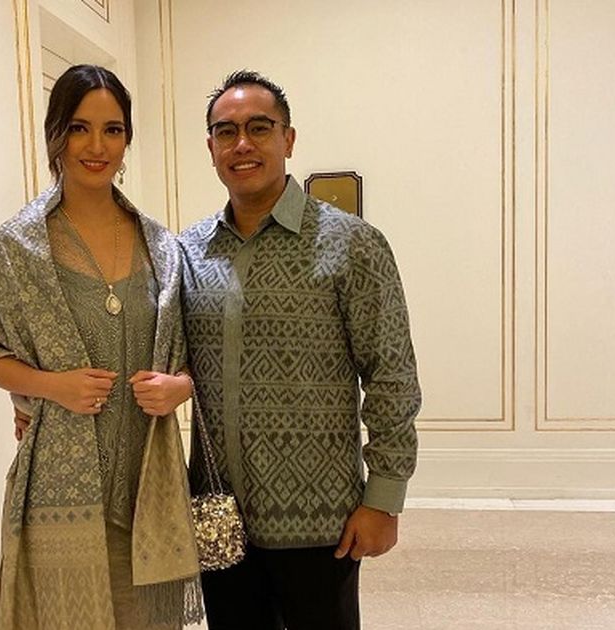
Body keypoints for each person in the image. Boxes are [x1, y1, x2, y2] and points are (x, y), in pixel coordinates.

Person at [178, 70, 422, 630]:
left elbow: (391, 375)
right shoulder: (188, 252)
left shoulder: (352, 244)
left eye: (259, 128)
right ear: (211, 148)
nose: (242, 143)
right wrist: (33, 399)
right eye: (226, 131)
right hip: (220, 518)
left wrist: (384, 497)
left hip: (321, 522)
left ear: (288, 140)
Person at [0, 64, 202, 630]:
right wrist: (50, 386)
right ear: (56, 135)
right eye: (79, 128)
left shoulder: (161, 246)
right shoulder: (19, 246)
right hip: (59, 493)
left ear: (127, 139)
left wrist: (181, 387)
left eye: (112, 130)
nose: (97, 146)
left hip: (147, 490)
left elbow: (198, 351)